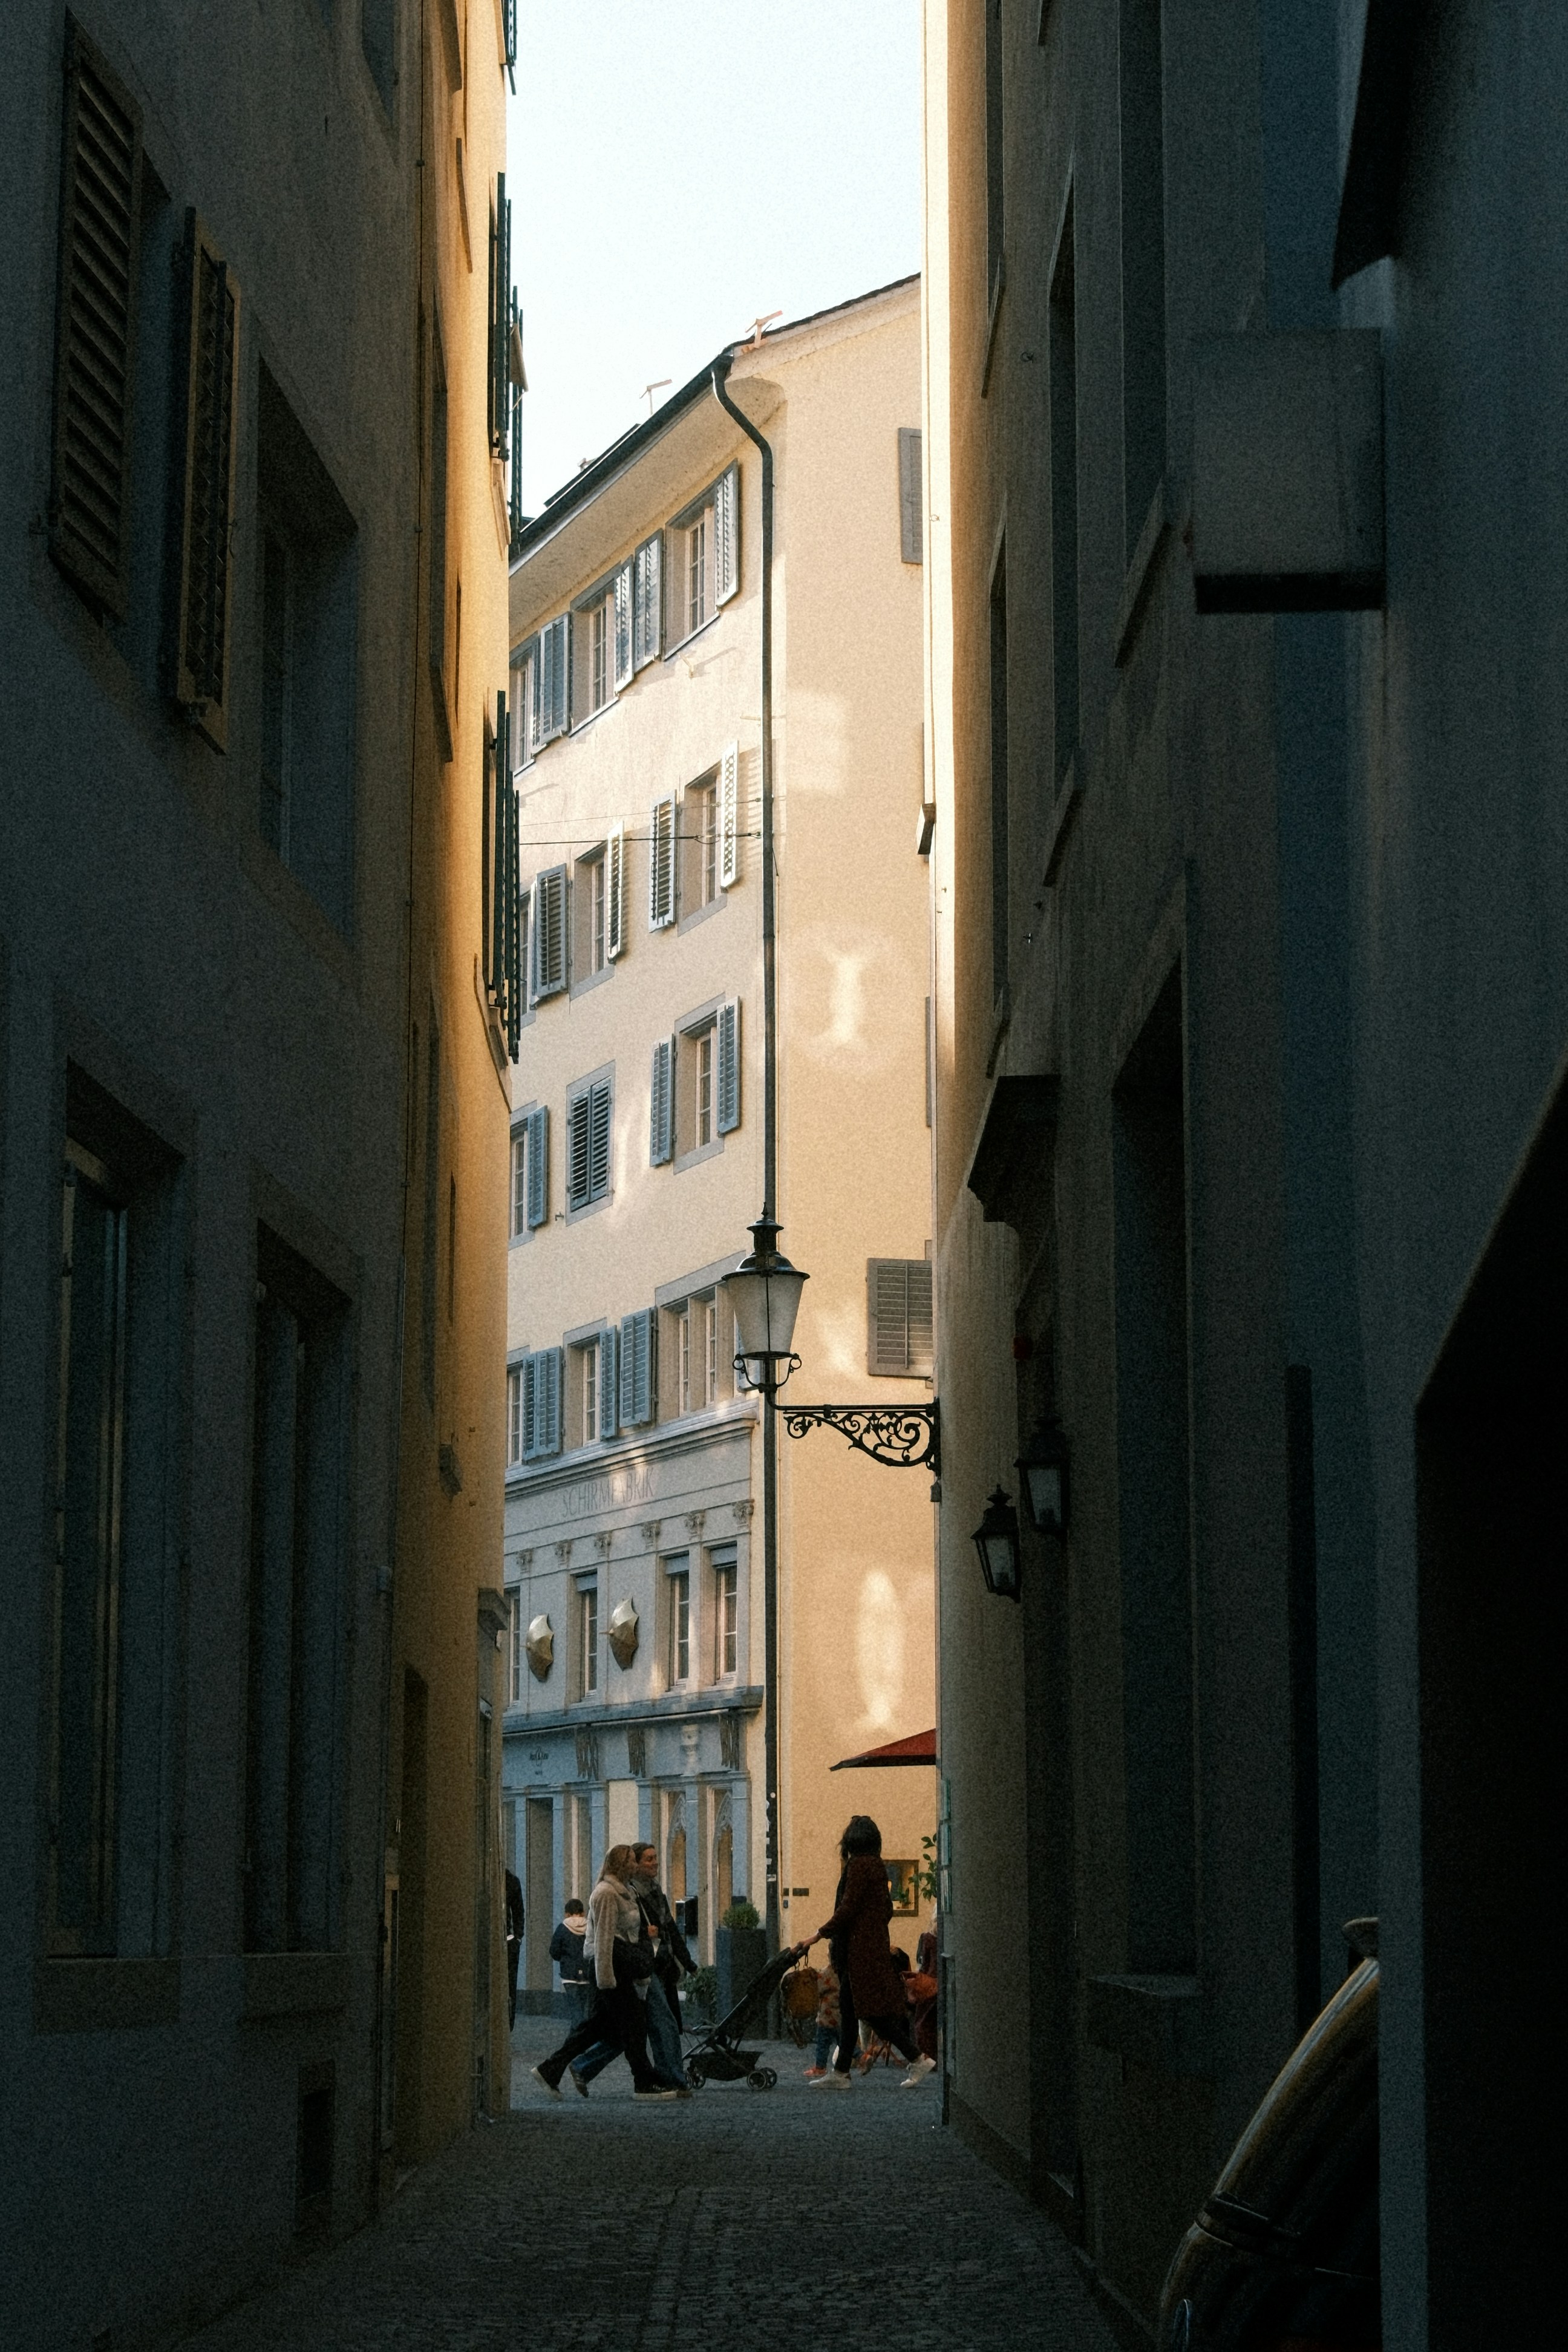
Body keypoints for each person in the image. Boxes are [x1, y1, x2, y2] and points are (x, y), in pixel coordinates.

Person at [795, 1815, 936, 2090]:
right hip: (869, 1952)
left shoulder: (859, 1866)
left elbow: (846, 1909)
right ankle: (841, 2072)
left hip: (859, 1954)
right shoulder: (878, 1867)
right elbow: (887, 1910)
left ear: (851, 1840)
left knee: (870, 2013)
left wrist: (819, 1933)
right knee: (851, 2010)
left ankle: (917, 2058)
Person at [531, 1847, 679, 2102]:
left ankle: (550, 2069)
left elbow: (629, 1934)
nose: (635, 1864)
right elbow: (604, 1941)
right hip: (610, 1969)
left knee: (597, 2028)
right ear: (621, 1865)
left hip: (619, 1967)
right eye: (632, 1860)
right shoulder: (606, 1893)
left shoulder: (626, 1892)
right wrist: (606, 1980)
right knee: (634, 2026)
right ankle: (643, 2081)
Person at [569, 1842, 694, 2096]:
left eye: (654, 1858)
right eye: (646, 1859)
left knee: (631, 2031)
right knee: (656, 2024)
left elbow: (669, 1928)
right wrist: (607, 1979)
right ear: (632, 1865)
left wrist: (686, 1961)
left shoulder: (653, 1891)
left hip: (654, 1964)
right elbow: (611, 1937)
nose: (653, 1863)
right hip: (638, 1968)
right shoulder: (622, 1892)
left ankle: (583, 2066)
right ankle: (671, 2079)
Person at [549, 1898, 592, 2025]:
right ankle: (580, 2034)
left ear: (567, 1914)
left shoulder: (562, 1928)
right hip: (586, 1973)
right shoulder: (590, 1927)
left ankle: (577, 2035)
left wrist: (564, 1959)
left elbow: (554, 1951)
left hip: (569, 1974)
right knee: (583, 2007)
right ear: (583, 1913)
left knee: (575, 2009)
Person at [803, 1959, 840, 2079]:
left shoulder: (826, 1973)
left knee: (822, 2043)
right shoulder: (845, 1973)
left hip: (826, 2016)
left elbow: (817, 1990)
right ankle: (862, 2057)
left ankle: (820, 2068)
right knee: (843, 2041)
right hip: (840, 2015)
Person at [505, 1868, 524, 2030]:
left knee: (511, 1984)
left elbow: (518, 1911)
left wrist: (517, 1937)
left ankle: (509, 2023)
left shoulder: (511, 1880)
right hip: (510, 1940)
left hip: (508, 1941)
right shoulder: (511, 1880)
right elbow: (519, 1912)